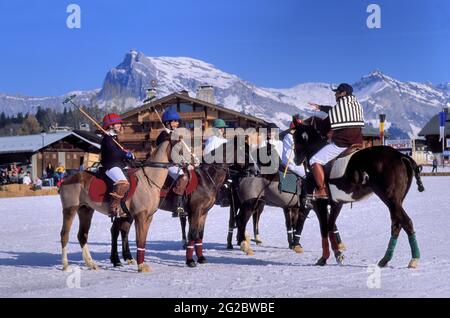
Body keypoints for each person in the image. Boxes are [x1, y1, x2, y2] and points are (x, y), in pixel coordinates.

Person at [308, 83, 364, 199]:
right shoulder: (356, 105)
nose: (335, 95)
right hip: (358, 141)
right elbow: (332, 110)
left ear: (343, 93)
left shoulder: (338, 108)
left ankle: (321, 190)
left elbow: (327, 121)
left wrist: (321, 130)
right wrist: (319, 107)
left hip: (343, 143)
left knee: (314, 160)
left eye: (337, 92)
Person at [100, 113, 135, 218]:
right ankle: (114, 208)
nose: (120, 125)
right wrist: (125, 154)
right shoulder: (107, 139)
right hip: (110, 166)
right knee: (124, 184)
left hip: (118, 165)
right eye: (117, 124)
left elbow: (118, 152)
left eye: (120, 123)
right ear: (110, 126)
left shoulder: (114, 138)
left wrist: (128, 155)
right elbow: (114, 153)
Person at [157, 109, 188, 217]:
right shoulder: (163, 135)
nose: (177, 123)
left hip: (174, 164)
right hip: (166, 165)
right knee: (183, 177)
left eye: (177, 121)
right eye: (174, 121)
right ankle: (177, 206)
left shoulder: (174, 134)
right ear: (167, 123)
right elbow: (166, 153)